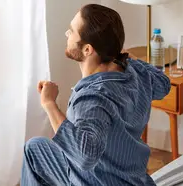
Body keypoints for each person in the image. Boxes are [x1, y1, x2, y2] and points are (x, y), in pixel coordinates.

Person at [20, 4, 170, 186]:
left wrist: (49, 104)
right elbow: (163, 84)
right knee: (35, 148)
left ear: (87, 50)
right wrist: (130, 59)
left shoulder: (93, 98)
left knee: (38, 151)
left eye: (71, 32)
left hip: (99, 181)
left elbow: (84, 157)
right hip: (133, 180)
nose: (67, 35)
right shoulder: (134, 72)